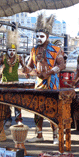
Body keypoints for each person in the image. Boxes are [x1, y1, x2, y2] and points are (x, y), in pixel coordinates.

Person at [24, 14, 66, 145]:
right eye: (37, 36)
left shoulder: (55, 49)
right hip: (39, 83)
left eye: (41, 36)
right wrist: (27, 70)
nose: (38, 38)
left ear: (47, 36)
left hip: (52, 83)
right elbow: (30, 66)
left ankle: (55, 136)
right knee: (37, 109)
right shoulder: (34, 50)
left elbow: (62, 65)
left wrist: (50, 72)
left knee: (53, 109)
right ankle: (39, 135)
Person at [0, 28, 27, 125]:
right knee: (6, 102)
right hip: (5, 82)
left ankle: (19, 120)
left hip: (15, 82)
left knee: (17, 102)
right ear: (7, 50)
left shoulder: (18, 58)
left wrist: (26, 71)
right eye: (10, 50)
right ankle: (8, 119)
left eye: (13, 50)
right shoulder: (3, 57)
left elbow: (25, 67)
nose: (12, 52)